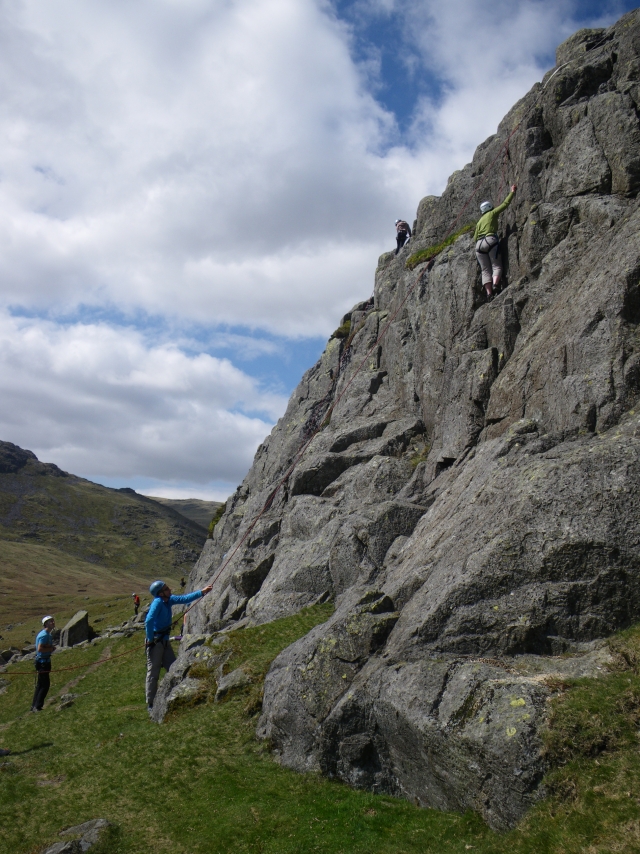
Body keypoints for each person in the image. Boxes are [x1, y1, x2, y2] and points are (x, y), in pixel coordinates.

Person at [145, 580, 212, 715]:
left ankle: (173, 695)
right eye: (166, 588)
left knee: (173, 667)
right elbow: (148, 620)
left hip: (163, 641)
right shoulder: (158, 602)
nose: (169, 589)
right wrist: (150, 639)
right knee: (154, 671)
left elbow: (184, 598)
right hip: (156, 642)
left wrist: (202, 592)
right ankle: (151, 702)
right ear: (160, 593)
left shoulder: (168, 600)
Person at [474, 185, 516, 298]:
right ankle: (496, 285)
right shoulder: (492, 213)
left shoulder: (479, 222)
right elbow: (505, 204)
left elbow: (475, 237)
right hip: (490, 240)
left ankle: (489, 294)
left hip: (479, 245)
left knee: (485, 270)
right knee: (496, 265)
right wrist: (512, 192)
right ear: (490, 207)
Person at [32, 616, 56, 712]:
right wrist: (50, 649)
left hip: (43, 661)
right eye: (51, 621)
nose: (53, 622)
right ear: (46, 624)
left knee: (40, 684)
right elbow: (40, 648)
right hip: (43, 662)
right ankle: (38, 706)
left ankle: (34, 705)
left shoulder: (47, 634)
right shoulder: (44, 635)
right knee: (45, 685)